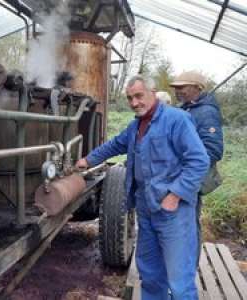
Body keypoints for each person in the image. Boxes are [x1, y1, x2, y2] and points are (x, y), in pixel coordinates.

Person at [76, 75, 209, 300]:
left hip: (173, 213)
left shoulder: (177, 120)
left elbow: (199, 161)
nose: (134, 102)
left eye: (139, 96)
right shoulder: (136, 125)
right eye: (129, 98)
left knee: (179, 282)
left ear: (153, 92)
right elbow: (115, 144)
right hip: (145, 210)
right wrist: (87, 160)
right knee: (150, 275)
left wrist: (175, 195)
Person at [170, 71, 224, 262]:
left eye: (182, 87)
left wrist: (187, 172)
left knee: (188, 227)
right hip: (179, 179)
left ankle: (187, 272)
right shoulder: (186, 108)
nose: (177, 91)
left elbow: (214, 150)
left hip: (190, 181)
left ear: (197, 88)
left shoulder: (207, 112)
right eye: (176, 88)